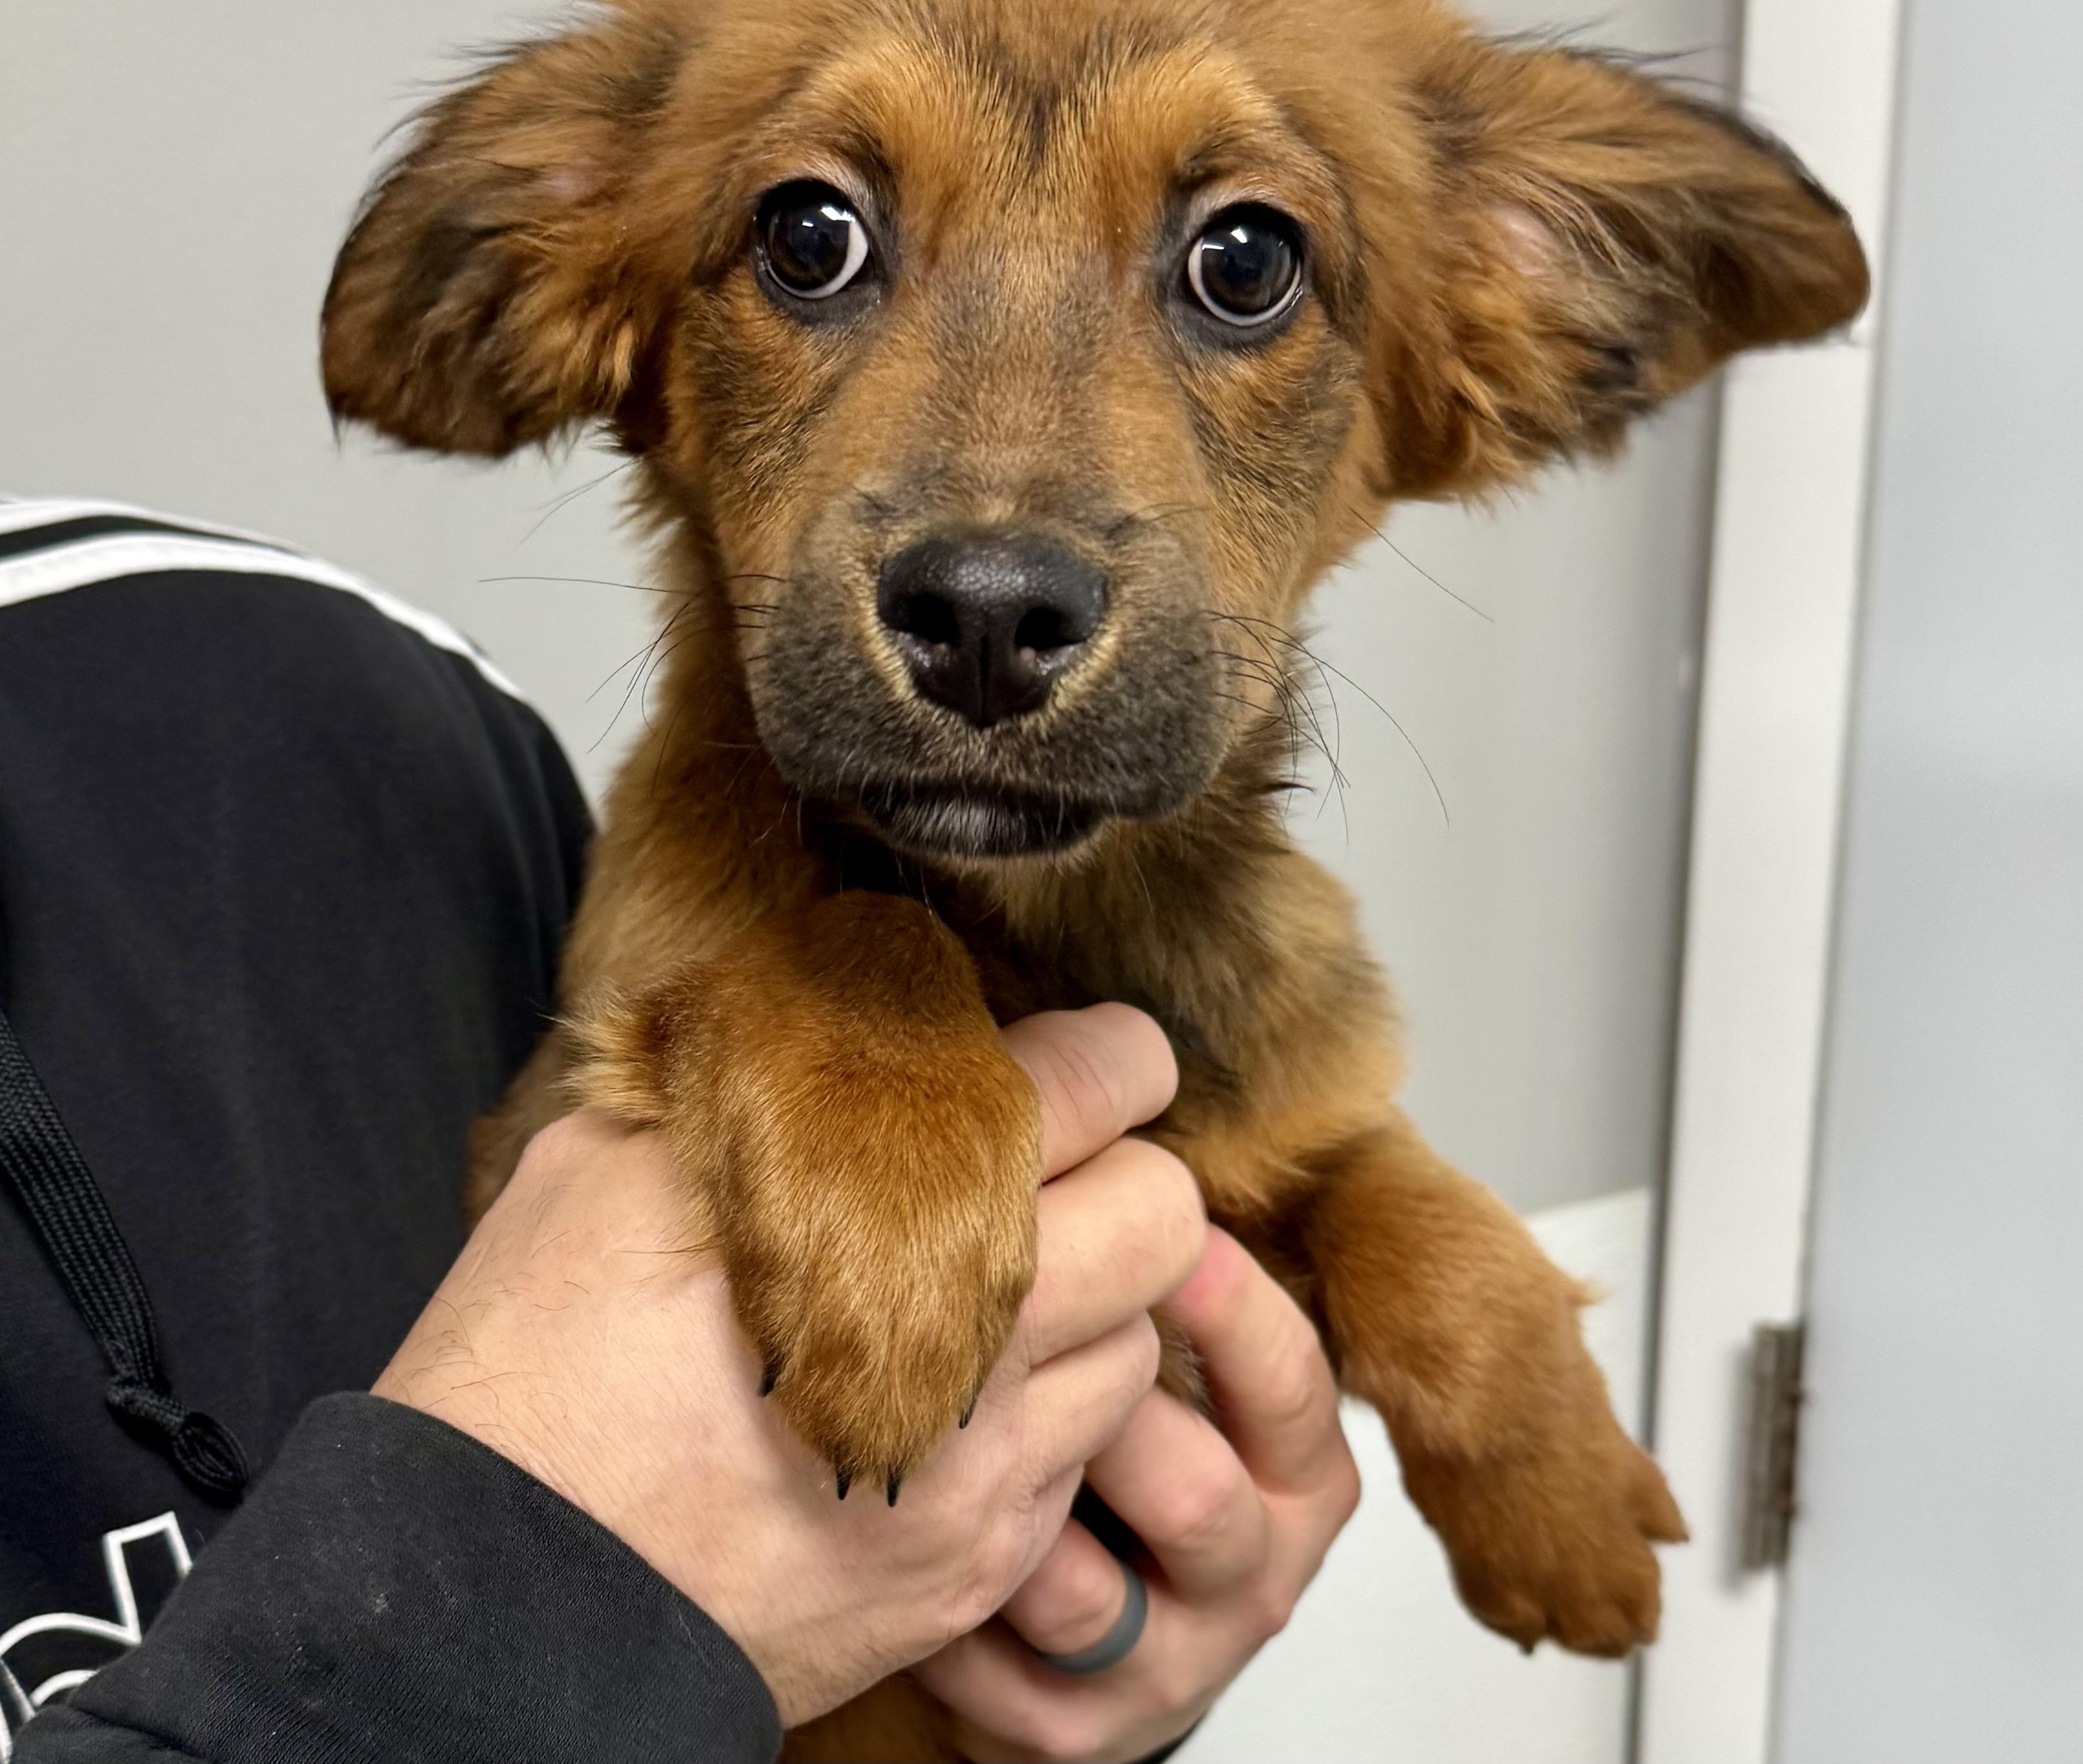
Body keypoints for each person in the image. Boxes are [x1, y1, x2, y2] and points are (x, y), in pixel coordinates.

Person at [0, 498, 1359, 1763]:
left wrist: (1049, 1661)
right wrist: (541, 1600)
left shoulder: (334, 695)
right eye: (814, 244)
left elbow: (673, 1171)